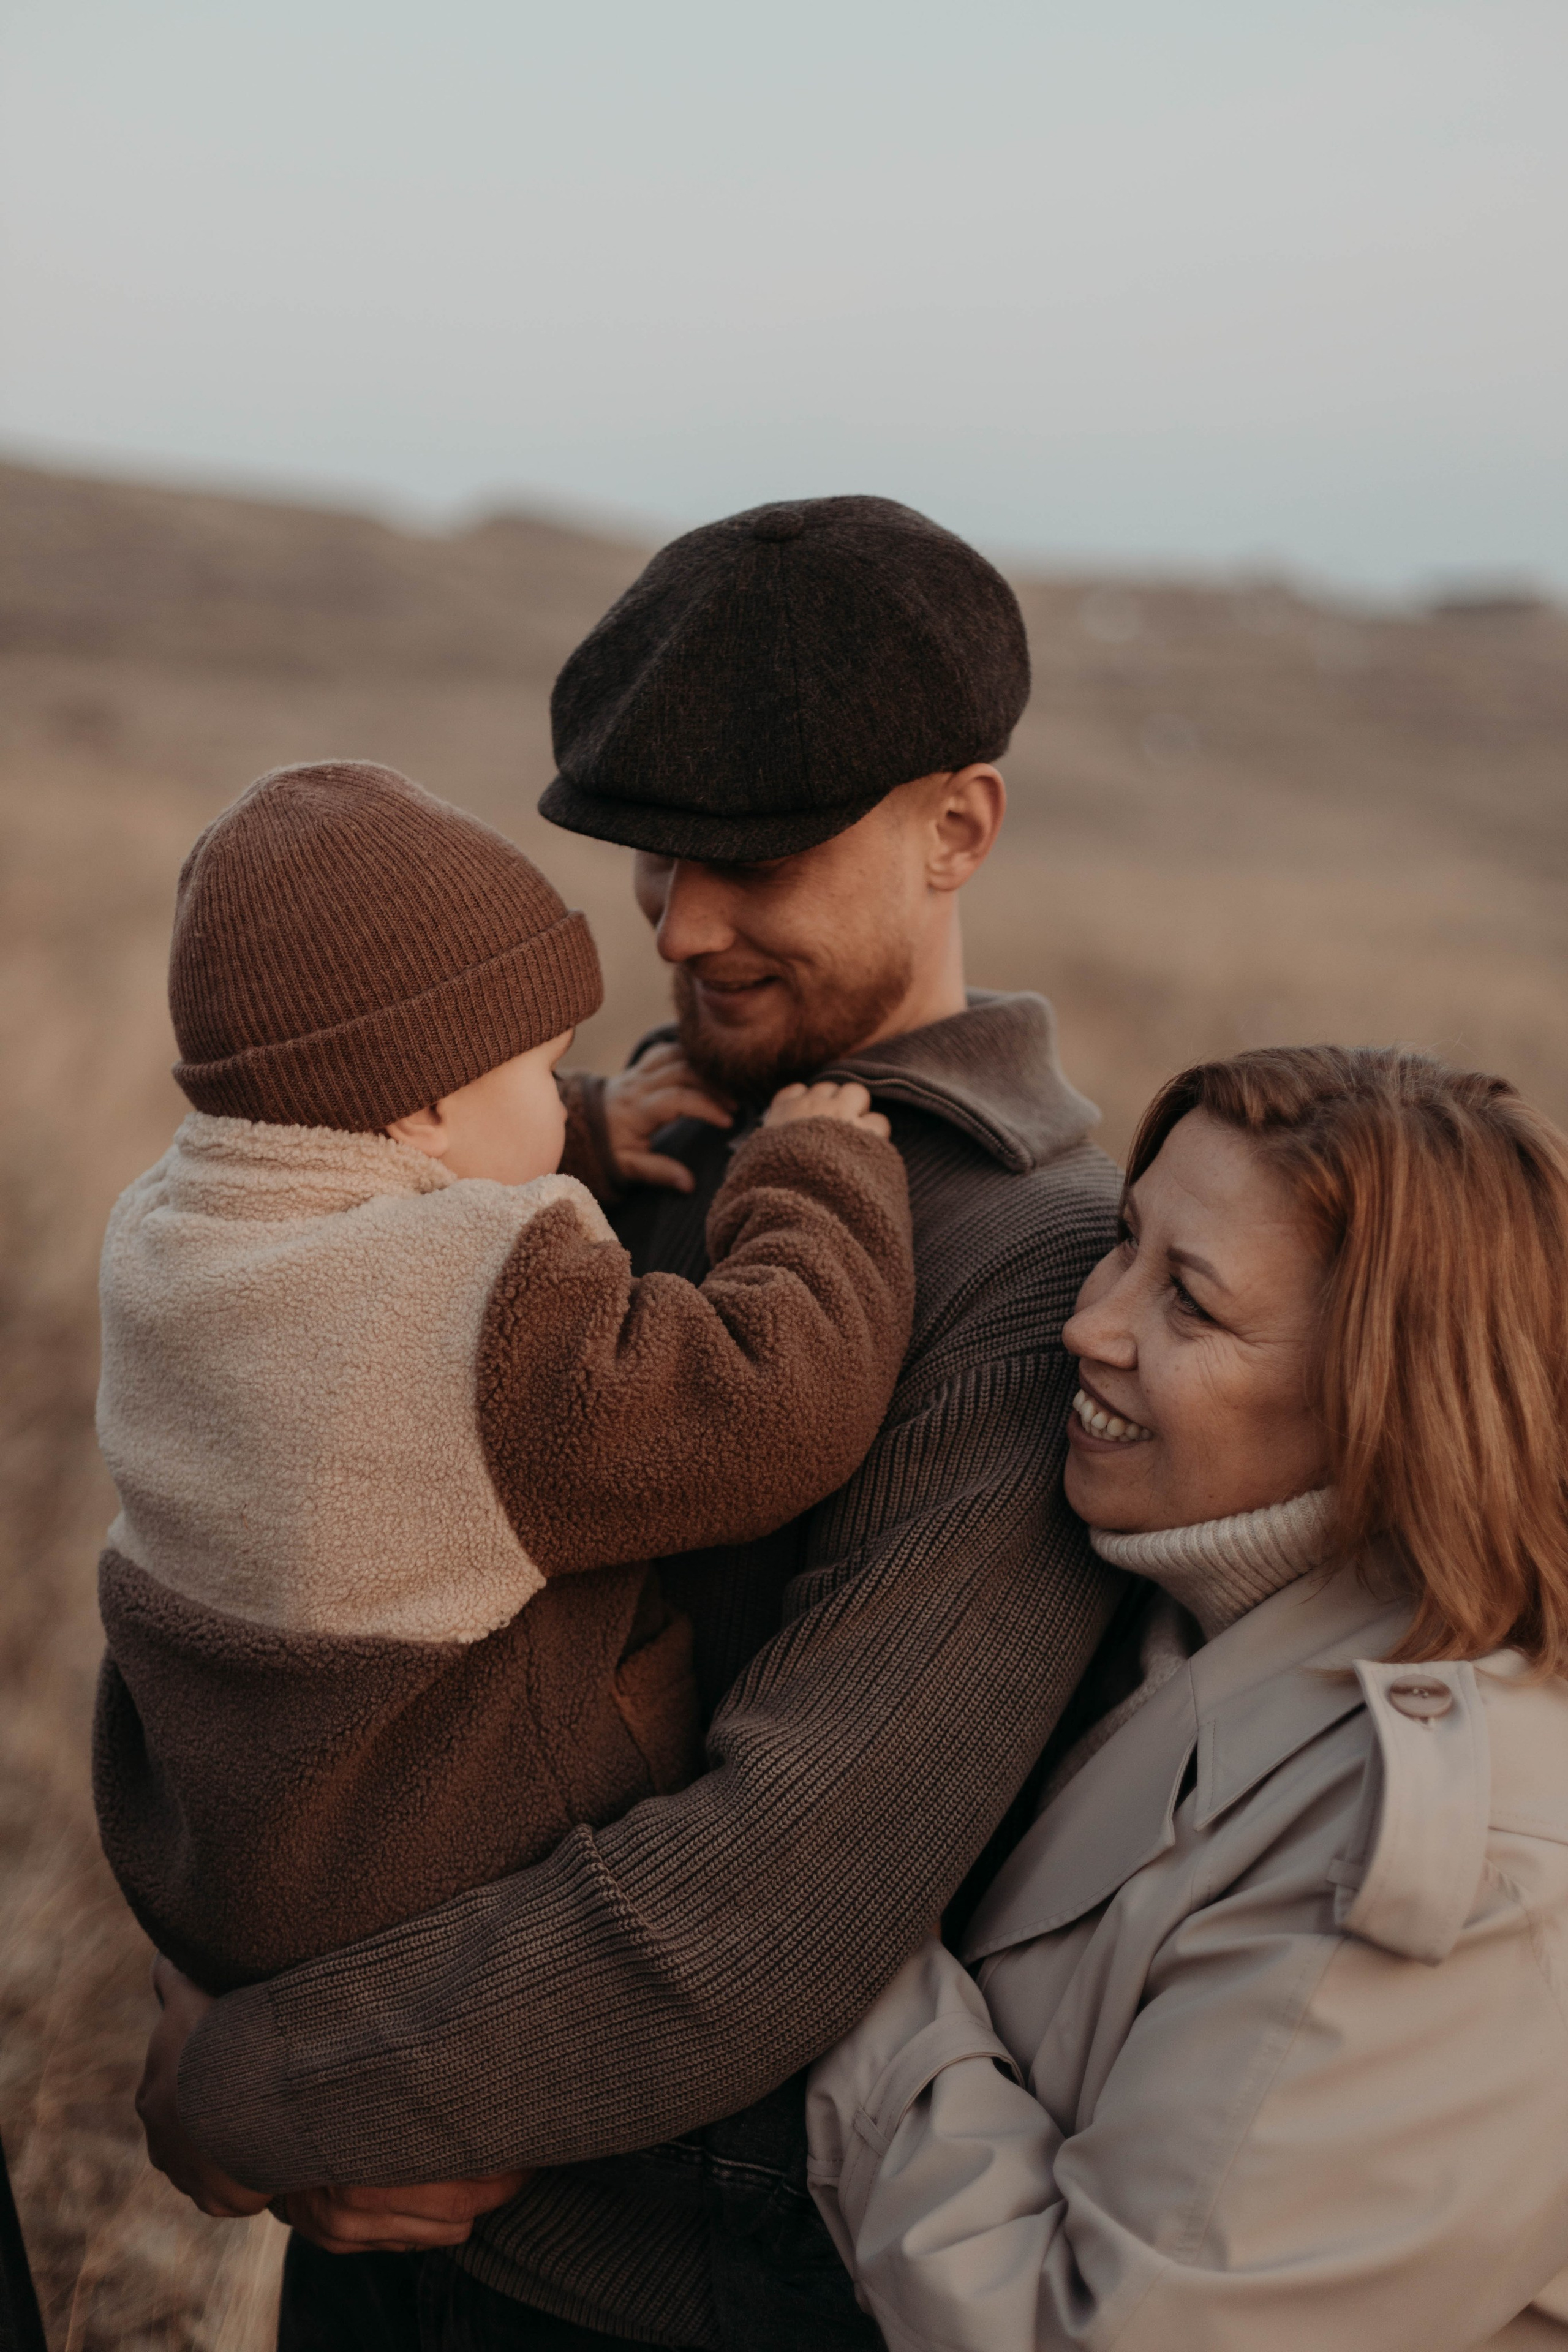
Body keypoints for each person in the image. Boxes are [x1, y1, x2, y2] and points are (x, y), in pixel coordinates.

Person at [136, 495, 1126, 2350]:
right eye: (651, 858)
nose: (686, 925)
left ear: (958, 826)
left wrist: (250, 2082)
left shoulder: (1036, 1275)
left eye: (754, 858)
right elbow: (253, 1578)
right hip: (374, 2236)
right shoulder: (575, 1138)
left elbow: (770, 1887)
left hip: (661, 2297)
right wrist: (214, 1993)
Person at [94, 755, 913, 1996]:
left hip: (211, 1857)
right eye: (543, 1065)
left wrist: (578, 1118)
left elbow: (345, 1161)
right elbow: (775, 1403)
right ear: (424, 1110)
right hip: (415, 1885)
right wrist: (810, 1175)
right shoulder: (486, 1317)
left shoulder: (168, 1228)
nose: (558, 1085)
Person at [807, 1044, 1568, 2351]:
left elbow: (1098, 2331)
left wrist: (828, 1931)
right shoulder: (1176, 1614)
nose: (1087, 1326)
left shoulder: (1474, 1859)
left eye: (1191, 1307)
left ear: (1378, 1398)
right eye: (1120, 1245)